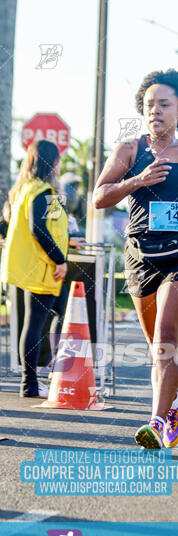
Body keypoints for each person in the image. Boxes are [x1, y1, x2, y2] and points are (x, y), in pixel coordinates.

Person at [93, 68, 178, 449]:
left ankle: (155, 423)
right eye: (149, 104)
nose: (156, 111)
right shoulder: (129, 150)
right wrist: (137, 181)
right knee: (156, 348)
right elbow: (99, 197)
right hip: (140, 257)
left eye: (164, 104)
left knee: (167, 339)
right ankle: (175, 404)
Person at [0, 140, 83, 398]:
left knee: (58, 315)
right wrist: (60, 259)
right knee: (37, 323)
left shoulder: (26, 189)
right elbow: (39, 229)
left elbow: (46, 226)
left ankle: (43, 377)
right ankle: (31, 383)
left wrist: (67, 241)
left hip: (34, 266)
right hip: (43, 267)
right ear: (53, 163)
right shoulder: (43, 191)